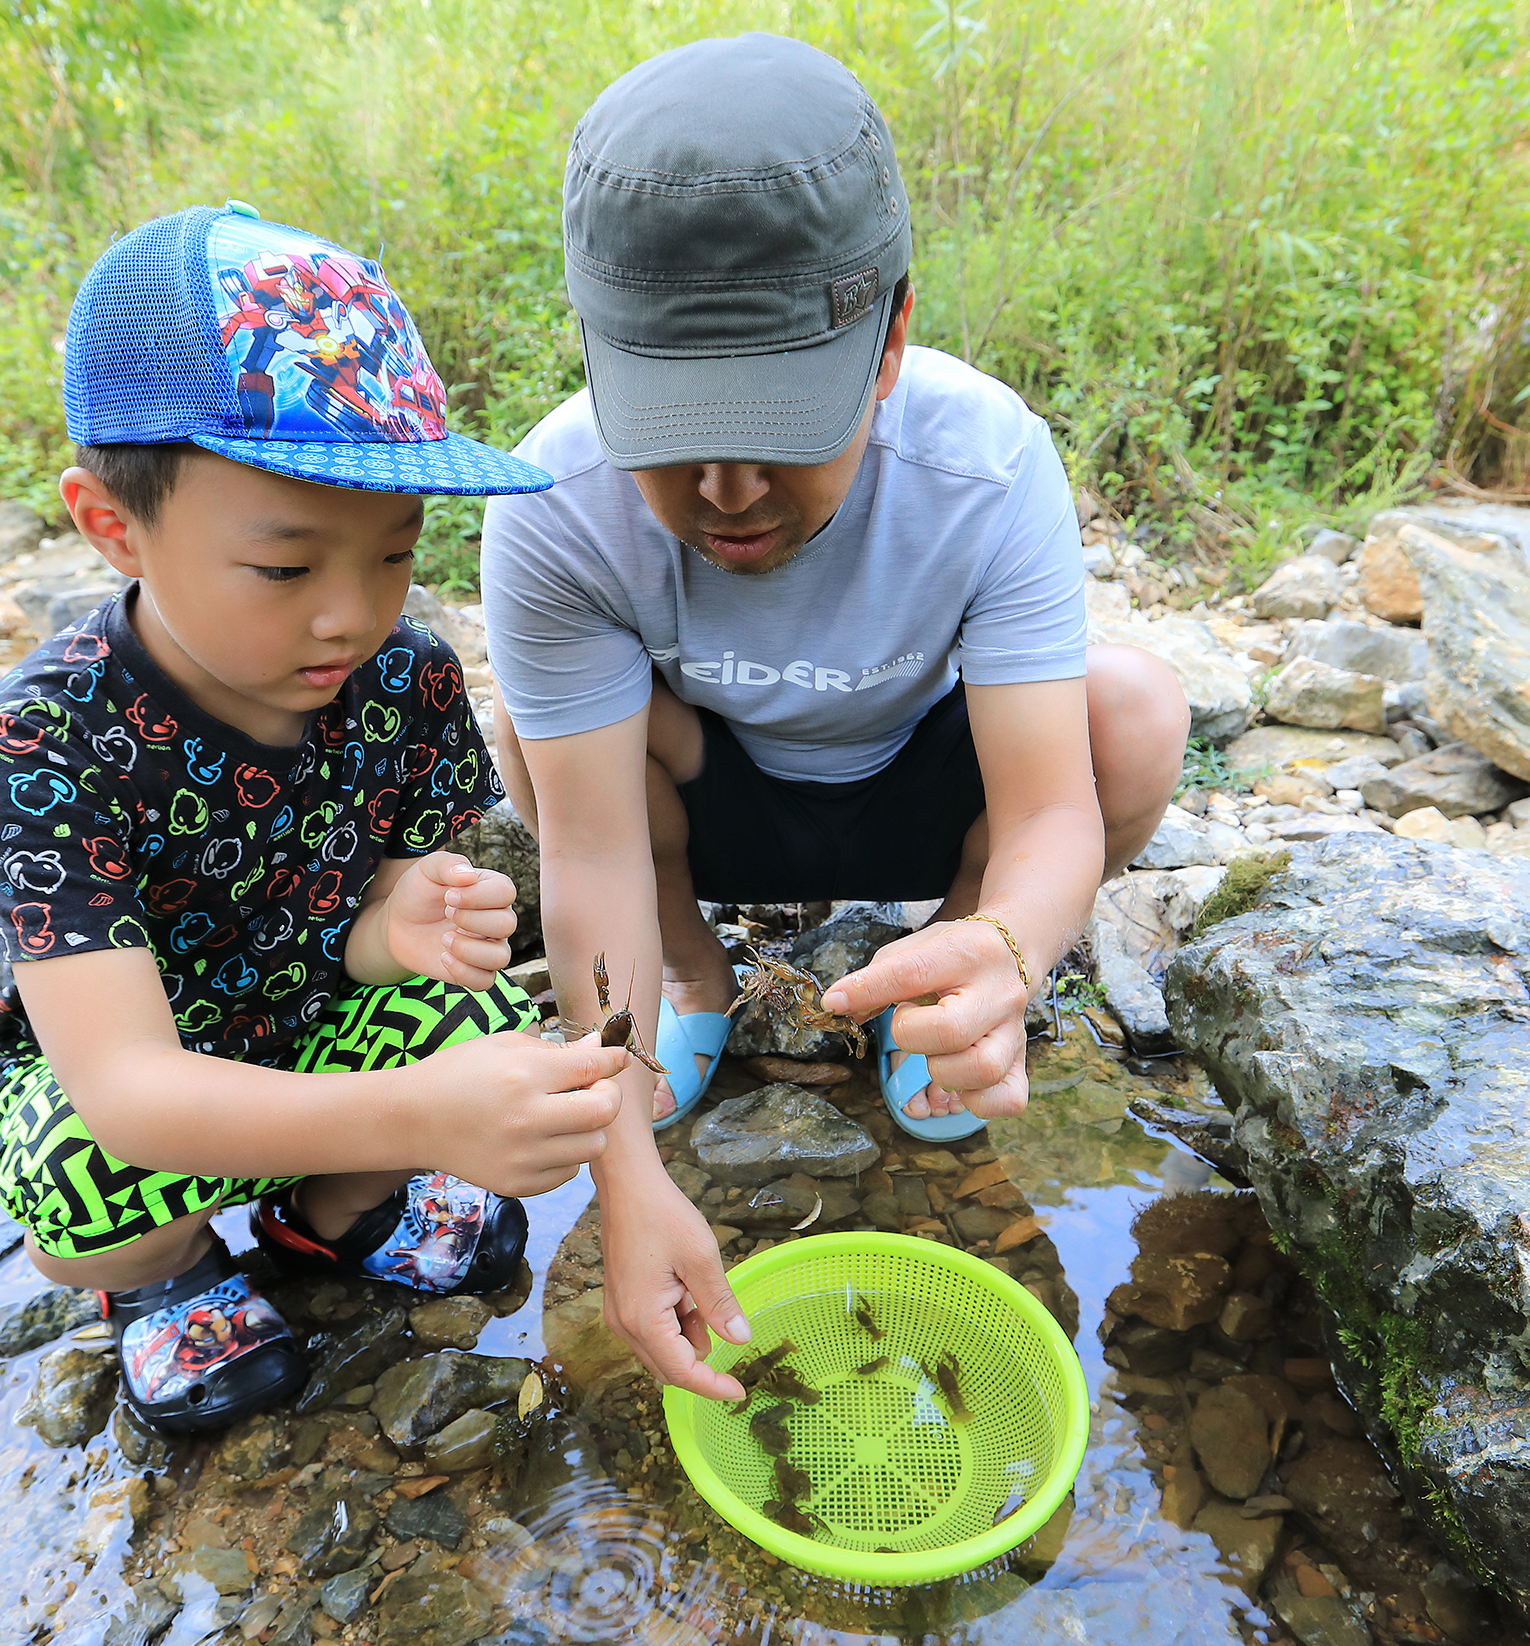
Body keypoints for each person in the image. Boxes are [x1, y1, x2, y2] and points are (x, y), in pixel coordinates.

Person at [480, 35, 1192, 1403]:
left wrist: (1011, 944)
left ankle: (941, 978)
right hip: (718, 797)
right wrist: (618, 1158)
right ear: (597, 352)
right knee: (535, 734)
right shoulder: (554, 501)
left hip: (926, 785)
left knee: (1135, 714)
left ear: (890, 342)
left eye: (781, 424)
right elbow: (590, 850)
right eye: (675, 430)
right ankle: (694, 980)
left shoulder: (986, 463)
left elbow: (1053, 807)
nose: (728, 490)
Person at [0, 204, 632, 1434]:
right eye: (286, 567)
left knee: (477, 1011)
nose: (351, 616)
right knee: (69, 1157)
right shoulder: (42, 742)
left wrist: (399, 923)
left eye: (393, 555)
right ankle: (164, 1274)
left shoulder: (406, 679)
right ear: (114, 524)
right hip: (144, 1086)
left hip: (306, 1026)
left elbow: (370, 916)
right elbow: (125, 1087)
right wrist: (431, 1115)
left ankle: (331, 1215)